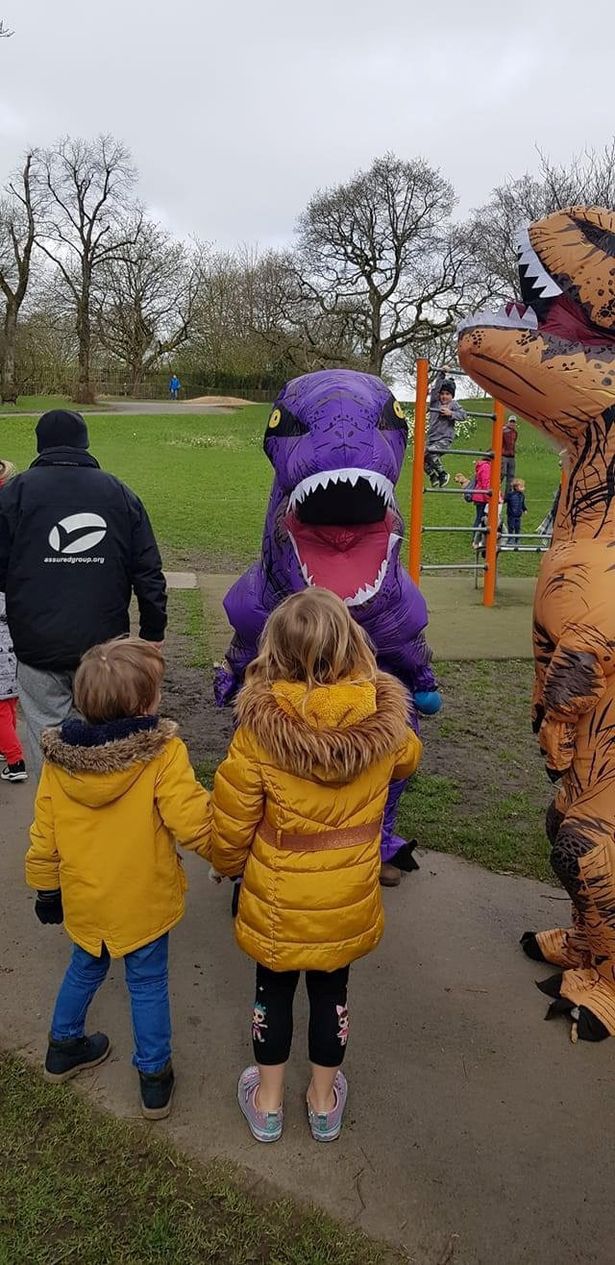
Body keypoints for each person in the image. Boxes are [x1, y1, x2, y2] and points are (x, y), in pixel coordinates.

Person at [211, 588, 421, 1144]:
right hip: (347, 896)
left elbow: (231, 821)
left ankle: (269, 1102)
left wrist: (227, 865)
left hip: (278, 900)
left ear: (274, 651)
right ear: (353, 645)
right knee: (332, 993)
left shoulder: (258, 732)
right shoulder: (384, 723)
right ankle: (324, 1102)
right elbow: (408, 759)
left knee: (272, 992)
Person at [25, 637, 212, 1119]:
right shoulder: (163, 754)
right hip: (143, 901)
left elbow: (44, 833)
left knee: (83, 967)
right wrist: (229, 854)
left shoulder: (59, 762)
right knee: (147, 983)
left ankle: (62, 1046)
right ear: (145, 704)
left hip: (86, 899)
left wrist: (46, 888)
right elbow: (193, 822)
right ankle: (154, 1078)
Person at [0, 410, 167, 778]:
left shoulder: (15, 494)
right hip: (103, 647)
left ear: (40, 445)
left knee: (46, 732)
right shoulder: (119, 493)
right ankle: (103, 801)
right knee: (103, 730)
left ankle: (54, 805)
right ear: (85, 443)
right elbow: (148, 570)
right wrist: (153, 631)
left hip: (37, 643)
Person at [0, 460, 27, 783]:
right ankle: (8, 746)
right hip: (17, 611)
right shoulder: (17, 507)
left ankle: (16, 760)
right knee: (8, 700)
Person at [424, 370, 467, 488]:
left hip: (444, 439)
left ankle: (443, 474)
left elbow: (463, 415)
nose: (444, 396)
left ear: (452, 396)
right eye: (442, 393)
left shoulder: (453, 404)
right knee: (420, 457)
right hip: (432, 439)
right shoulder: (435, 403)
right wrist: (441, 374)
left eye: (447, 394)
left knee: (431, 453)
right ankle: (433, 475)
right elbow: (436, 389)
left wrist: (451, 413)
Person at [504, 478, 527, 549]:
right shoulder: (510, 495)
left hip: (518, 515)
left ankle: (517, 539)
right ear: (516, 487)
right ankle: (510, 539)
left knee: (517, 527)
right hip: (511, 515)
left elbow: (522, 504)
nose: (523, 488)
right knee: (511, 527)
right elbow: (505, 500)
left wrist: (524, 509)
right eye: (521, 487)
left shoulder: (522, 496)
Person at [501, 416, 518, 494]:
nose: (512, 423)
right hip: (504, 455)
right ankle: (497, 489)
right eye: (511, 422)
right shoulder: (503, 431)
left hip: (511, 456)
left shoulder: (515, 432)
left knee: (511, 476)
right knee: (502, 473)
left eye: (513, 422)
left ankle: (508, 494)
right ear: (508, 422)